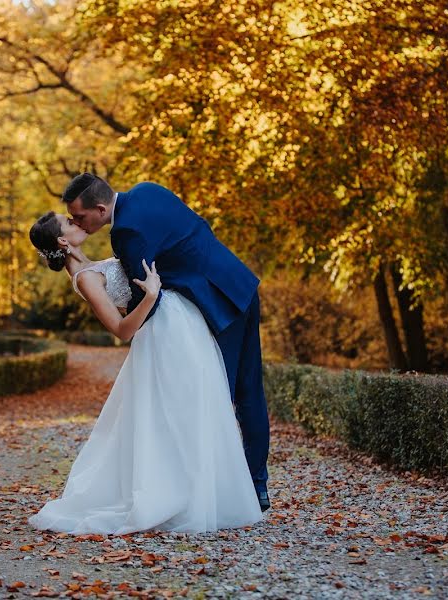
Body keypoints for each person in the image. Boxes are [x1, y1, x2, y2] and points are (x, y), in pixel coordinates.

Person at [27, 211, 263, 534]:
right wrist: (151, 296)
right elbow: (121, 330)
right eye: (69, 222)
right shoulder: (84, 278)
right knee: (183, 411)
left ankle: (199, 493)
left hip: (174, 325)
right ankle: (185, 497)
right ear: (62, 241)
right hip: (161, 336)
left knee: (189, 408)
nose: (76, 220)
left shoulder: (90, 266)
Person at [62, 174, 270, 512]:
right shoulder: (148, 190)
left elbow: (148, 297)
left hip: (217, 304)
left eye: (81, 217)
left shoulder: (125, 233)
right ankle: (256, 487)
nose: (78, 223)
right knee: (250, 394)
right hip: (238, 281)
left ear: (100, 209)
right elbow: (197, 231)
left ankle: (219, 495)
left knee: (218, 397)